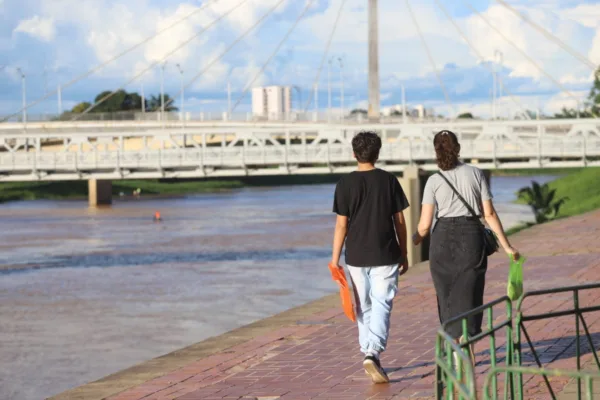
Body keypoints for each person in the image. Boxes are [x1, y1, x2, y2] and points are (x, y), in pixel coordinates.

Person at [412, 130, 519, 357]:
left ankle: (453, 346)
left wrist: (411, 242)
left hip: (441, 240)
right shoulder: (475, 173)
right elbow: (488, 213)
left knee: (446, 294)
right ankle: (467, 340)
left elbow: (424, 226)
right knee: (470, 292)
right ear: (458, 148)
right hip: (470, 236)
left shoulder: (433, 180)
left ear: (436, 151)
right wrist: (507, 247)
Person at [331, 131, 410, 384]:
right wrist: (404, 252)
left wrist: (334, 259)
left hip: (355, 255)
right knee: (382, 303)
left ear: (354, 154)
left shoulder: (344, 184)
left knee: (364, 305)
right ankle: (373, 352)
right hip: (385, 252)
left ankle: (368, 351)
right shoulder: (389, 181)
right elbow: (399, 221)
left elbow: (341, 225)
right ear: (378, 153)